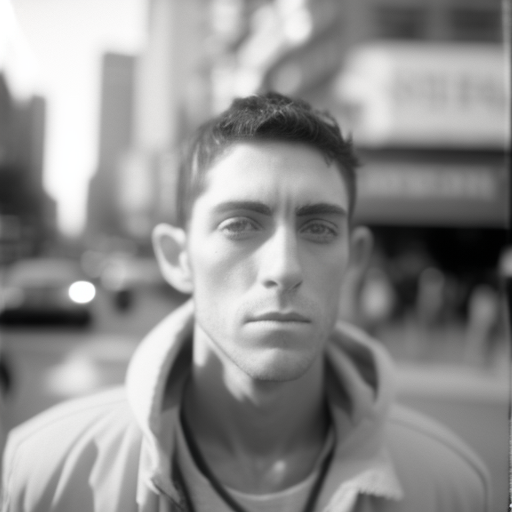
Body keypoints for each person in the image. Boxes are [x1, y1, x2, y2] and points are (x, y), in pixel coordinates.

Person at [2, 93, 490, 512]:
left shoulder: (455, 487)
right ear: (178, 258)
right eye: (239, 225)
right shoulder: (45, 472)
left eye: (319, 228)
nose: (284, 268)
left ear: (355, 259)